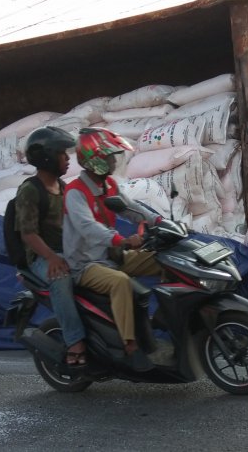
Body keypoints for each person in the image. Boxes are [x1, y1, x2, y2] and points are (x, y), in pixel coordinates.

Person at [63, 127, 164, 370]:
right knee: (120, 282)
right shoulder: (75, 192)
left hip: (111, 256)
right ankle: (129, 345)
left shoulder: (108, 184)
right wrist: (121, 240)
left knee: (163, 259)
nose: (112, 161)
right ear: (94, 160)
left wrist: (159, 221)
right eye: (108, 157)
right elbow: (88, 228)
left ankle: (166, 318)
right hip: (85, 264)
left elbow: (130, 209)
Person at [16, 126, 87, 366]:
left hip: (66, 252)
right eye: (62, 154)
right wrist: (53, 259)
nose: (68, 159)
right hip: (41, 257)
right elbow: (28, 234)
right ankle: (75, 343)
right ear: (47, 157)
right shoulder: (30, 190)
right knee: (61, 277)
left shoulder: (65, 188)